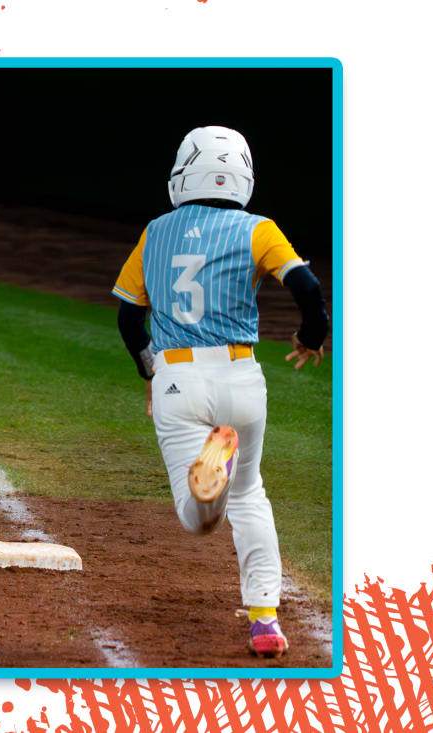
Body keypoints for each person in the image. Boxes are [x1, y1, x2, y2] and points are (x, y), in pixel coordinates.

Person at [111, 127, 328, 658]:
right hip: (241, 378)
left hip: (179, 379)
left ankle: (212, 477)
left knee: (198, 519)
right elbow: (308, 288)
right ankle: (264, 619)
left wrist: (148, 372)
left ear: (184, 173)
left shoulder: (155, 232)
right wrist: (311, 336)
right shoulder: (259, 229)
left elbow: (129, 318)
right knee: (251, 496)